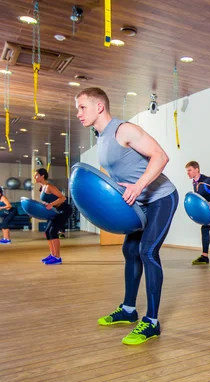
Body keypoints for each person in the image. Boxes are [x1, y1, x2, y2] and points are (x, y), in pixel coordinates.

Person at [76, 87, 178, 346]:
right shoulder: (101, 138)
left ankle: (152, 322)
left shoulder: (124, 130)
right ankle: (128, 310)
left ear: (99, 106)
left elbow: (161, 156)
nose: (78, 113)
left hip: (160, 198)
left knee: (147, 252)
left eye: (82, 107)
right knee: (130, 251)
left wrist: (139, 185)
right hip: (137, 204)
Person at [34, 168, 73, 265]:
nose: (35, 177)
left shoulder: (49, 186)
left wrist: (51, 204)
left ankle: (57, 258)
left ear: (42, 176)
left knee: (53, 231)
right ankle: (52, 255)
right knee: (47, 232)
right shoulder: (42, 188)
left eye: (36, 175)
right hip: (58, 210)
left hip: (65, 210)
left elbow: (63, 198)